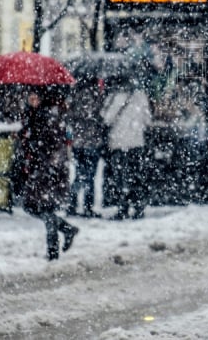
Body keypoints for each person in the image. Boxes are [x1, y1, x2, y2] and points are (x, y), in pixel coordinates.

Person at [18, 89, 78, 261]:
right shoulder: (33, 115)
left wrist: (37, 149)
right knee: (37, 207)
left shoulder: (47, 117)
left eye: (35, 97)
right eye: (30, 97)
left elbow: (54, 145)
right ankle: (65, 231)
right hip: (40, 170)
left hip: (48, 171)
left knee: (42, 208)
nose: (32, 100)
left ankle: (53, 250)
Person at [101, 83, 150, 220]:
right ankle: (138, 208)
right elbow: (147, 120)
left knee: (120, 178)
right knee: (136, 177)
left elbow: (106, 119)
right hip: (136, 142)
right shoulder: (141, 96)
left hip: (119, 143)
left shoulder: (114, 97)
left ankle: (123, 208)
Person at [66, 79, 106, 217]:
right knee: (90, 176)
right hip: (93, 142)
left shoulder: (75, 95)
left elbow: (69, 118)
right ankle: (88, 207)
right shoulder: (98, 97)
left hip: (79, 141)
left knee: (79, 174)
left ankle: (72, 204)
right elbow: (102, 118)